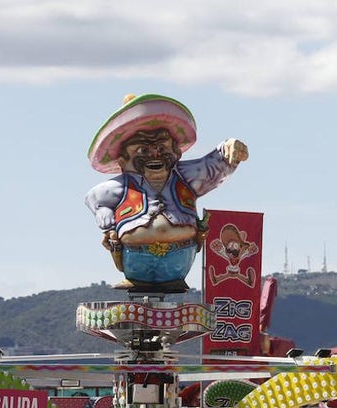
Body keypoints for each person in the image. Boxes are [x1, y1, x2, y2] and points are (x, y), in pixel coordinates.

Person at [85, 94, 248, 293]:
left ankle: (172, 280)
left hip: (180, 254)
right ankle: (137, 280)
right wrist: (107, 223)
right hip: (135, 255)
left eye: (161, 148)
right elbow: (94, 198)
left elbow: (211, 167)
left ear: (176, 152)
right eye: (142, 150)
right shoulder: (121, 186)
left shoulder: (185, 177)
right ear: (123, 159)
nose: (154, 155)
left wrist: (228, 149)